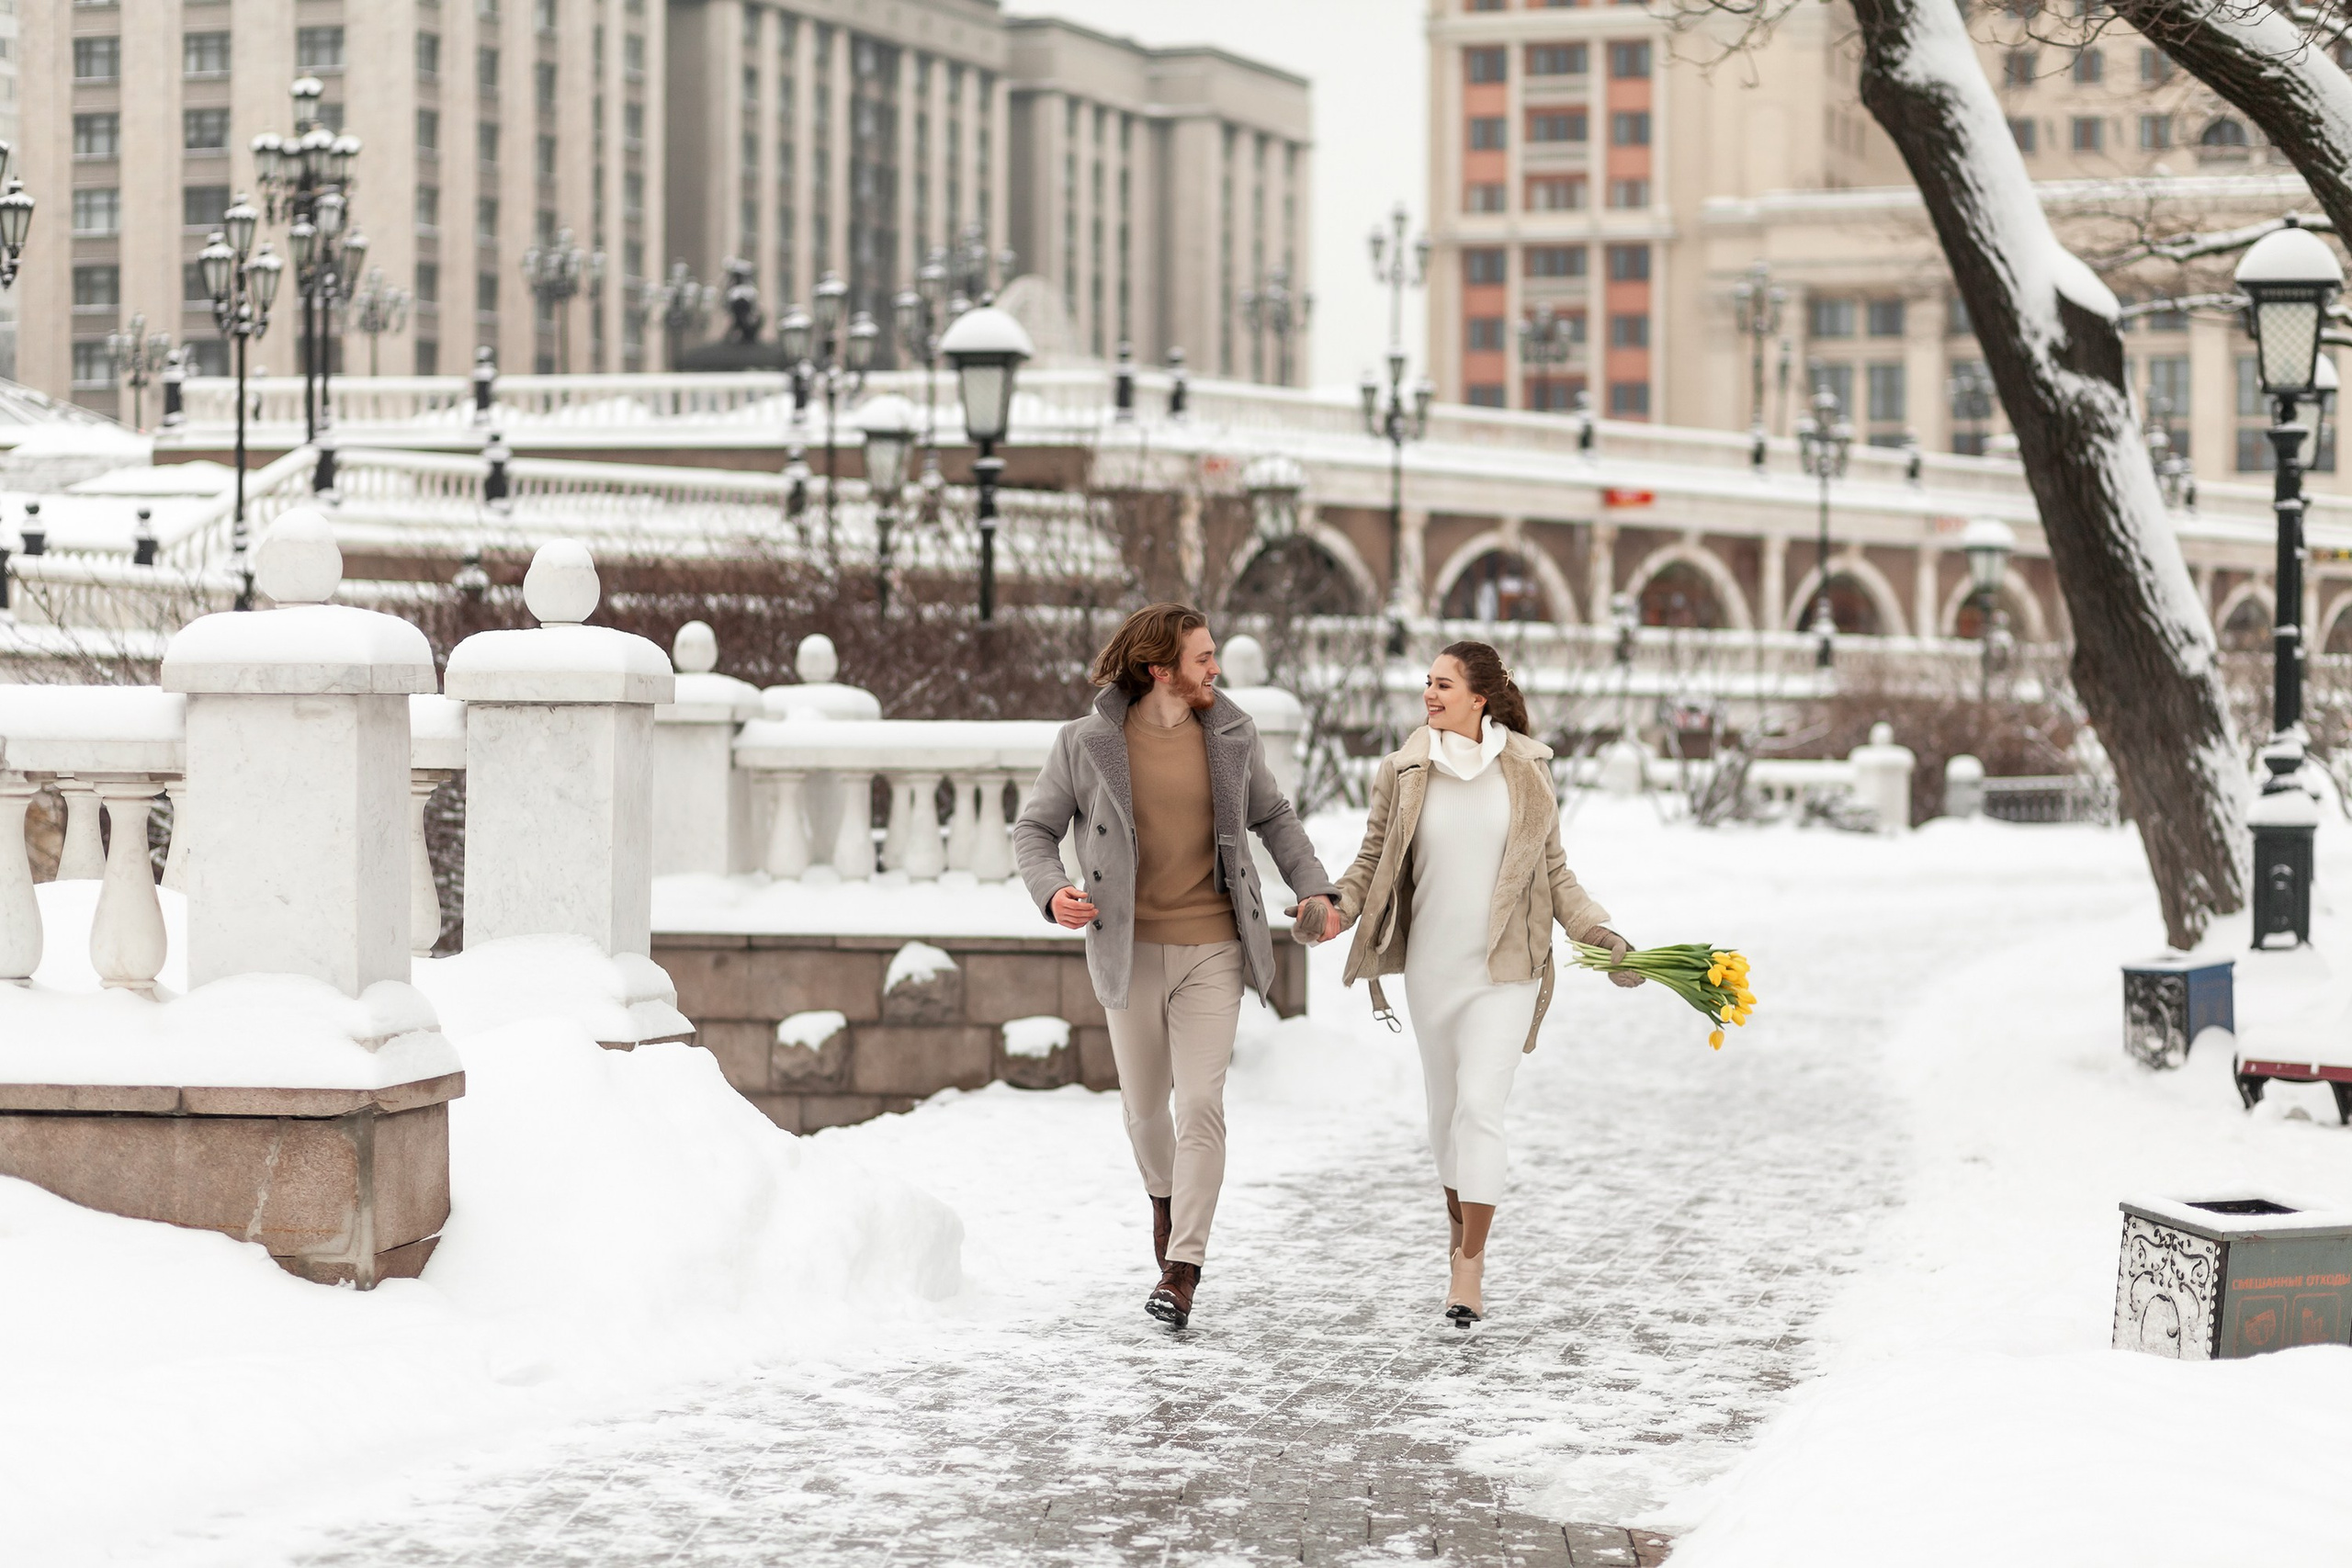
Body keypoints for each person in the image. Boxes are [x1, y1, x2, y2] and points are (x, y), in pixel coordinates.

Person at [1013, 604, 1341, 1331]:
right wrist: (1053, 890)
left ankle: (1184, 1266)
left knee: (1200, 1104)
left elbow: (1276, 818)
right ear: (1159, 669)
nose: (1214, 669)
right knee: (1143, 1112)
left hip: (1214, 945)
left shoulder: (1230, 734)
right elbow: (1034, 828)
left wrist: (1315, 887)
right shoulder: (1086, 743)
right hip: (1127, 946)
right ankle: (1165, 1200)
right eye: (1202, 658)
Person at [1324, 640, 1642, 1325]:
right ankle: (1458, 1236)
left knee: (1479, 1109)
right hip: (1433, 970)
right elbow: (1372, 859)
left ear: (1480, 698)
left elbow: (1555, 872)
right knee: (1445, 1123)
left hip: (1507, 970)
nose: (1429, 695)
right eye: (1427, 683)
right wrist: (1334, 909)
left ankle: (1470, 1264)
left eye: (1443, 684)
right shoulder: (1405, 771)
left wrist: (1602, 934)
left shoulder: (1526, 771)